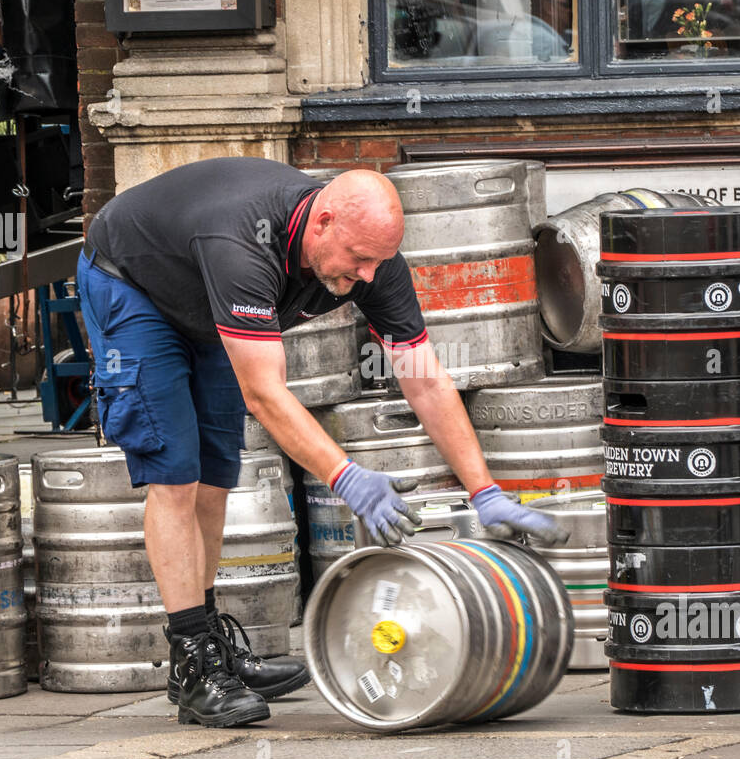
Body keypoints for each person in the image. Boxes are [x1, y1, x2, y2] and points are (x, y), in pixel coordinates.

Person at [78, 158, 566, 729]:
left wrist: (484, 491)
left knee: (216, 473)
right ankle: (193, 663)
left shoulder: (373, 261)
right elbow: (265, 394)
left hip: (199, 298)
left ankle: (215, 648)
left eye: (376, 263)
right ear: (323, 222)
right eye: (358, 259)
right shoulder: (241, 244)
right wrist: (347, 477)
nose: (365, 277)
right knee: (175, 474)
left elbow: (425, 377)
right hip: (130, 284)